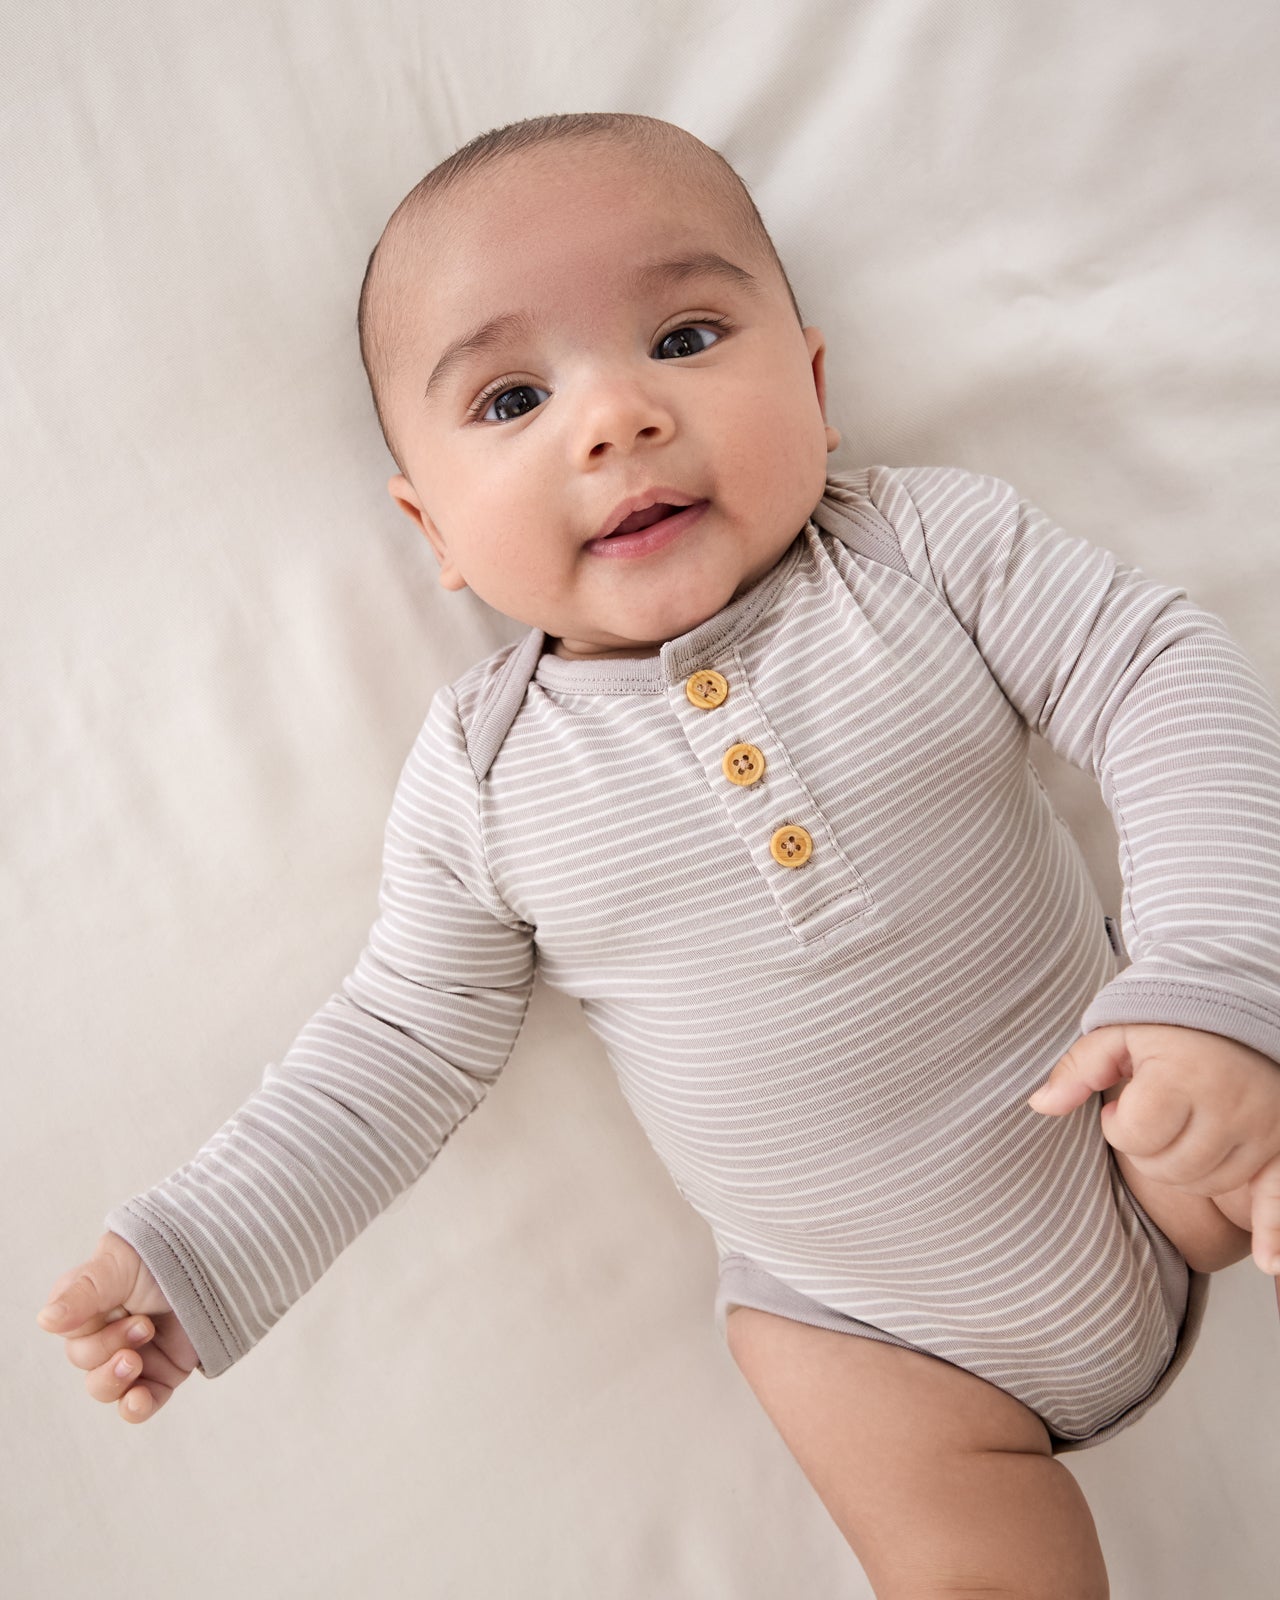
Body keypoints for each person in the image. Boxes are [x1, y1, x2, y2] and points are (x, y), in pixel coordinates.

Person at [36, 111, 1280, 1597]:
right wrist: (203, 1251)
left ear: (813, 386)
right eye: (510, 399)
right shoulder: (485, 779)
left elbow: (1159, 672)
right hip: (878, 1341)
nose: (614, 416)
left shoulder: (921, 554)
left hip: (1147, 1140)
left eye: (685, 336)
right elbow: (397, 1044)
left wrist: (1211, 982)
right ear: (434, 532)